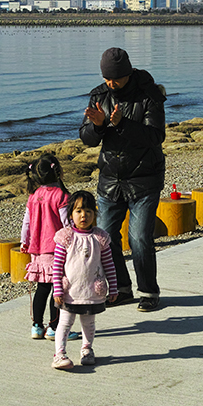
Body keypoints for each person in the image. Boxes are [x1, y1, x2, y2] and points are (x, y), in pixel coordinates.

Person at [79, 47, 166, 312]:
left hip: (144, 178)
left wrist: (122, 124)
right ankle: (121, 288)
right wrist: (98, 126)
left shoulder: (149, 94)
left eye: (115, 78)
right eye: (106, 78)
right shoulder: (99, 95)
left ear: (127, 73)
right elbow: (86, 138)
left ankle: (149, 291)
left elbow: (155, 137)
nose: (110, 83)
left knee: (139, 238)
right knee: (105, 237)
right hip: (110, 180)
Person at [51, 191, 118, 370]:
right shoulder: (65, 237)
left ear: (95, 214)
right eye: (79, 211)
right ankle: (59, 354)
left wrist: (113, 288)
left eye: (88, 211)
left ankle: (87, 349)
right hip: (69, 292)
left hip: (91, 291)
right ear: (71, 214)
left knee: (89, 323)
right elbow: (56, 266)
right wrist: (57, 289)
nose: (84, 215)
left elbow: (109, 264)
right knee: (65, 323)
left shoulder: (100, 238)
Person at [19, 153, 77, 341]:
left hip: (37, 248)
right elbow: (66, 222)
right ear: (57, 171)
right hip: (56, 249)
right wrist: (74, 240)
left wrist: (24, 241)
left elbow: (26, 223)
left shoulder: (34, 196)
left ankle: (37, 326)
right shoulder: (61, 195)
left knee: (42, 288)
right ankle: (54, 327)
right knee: (58, 288)